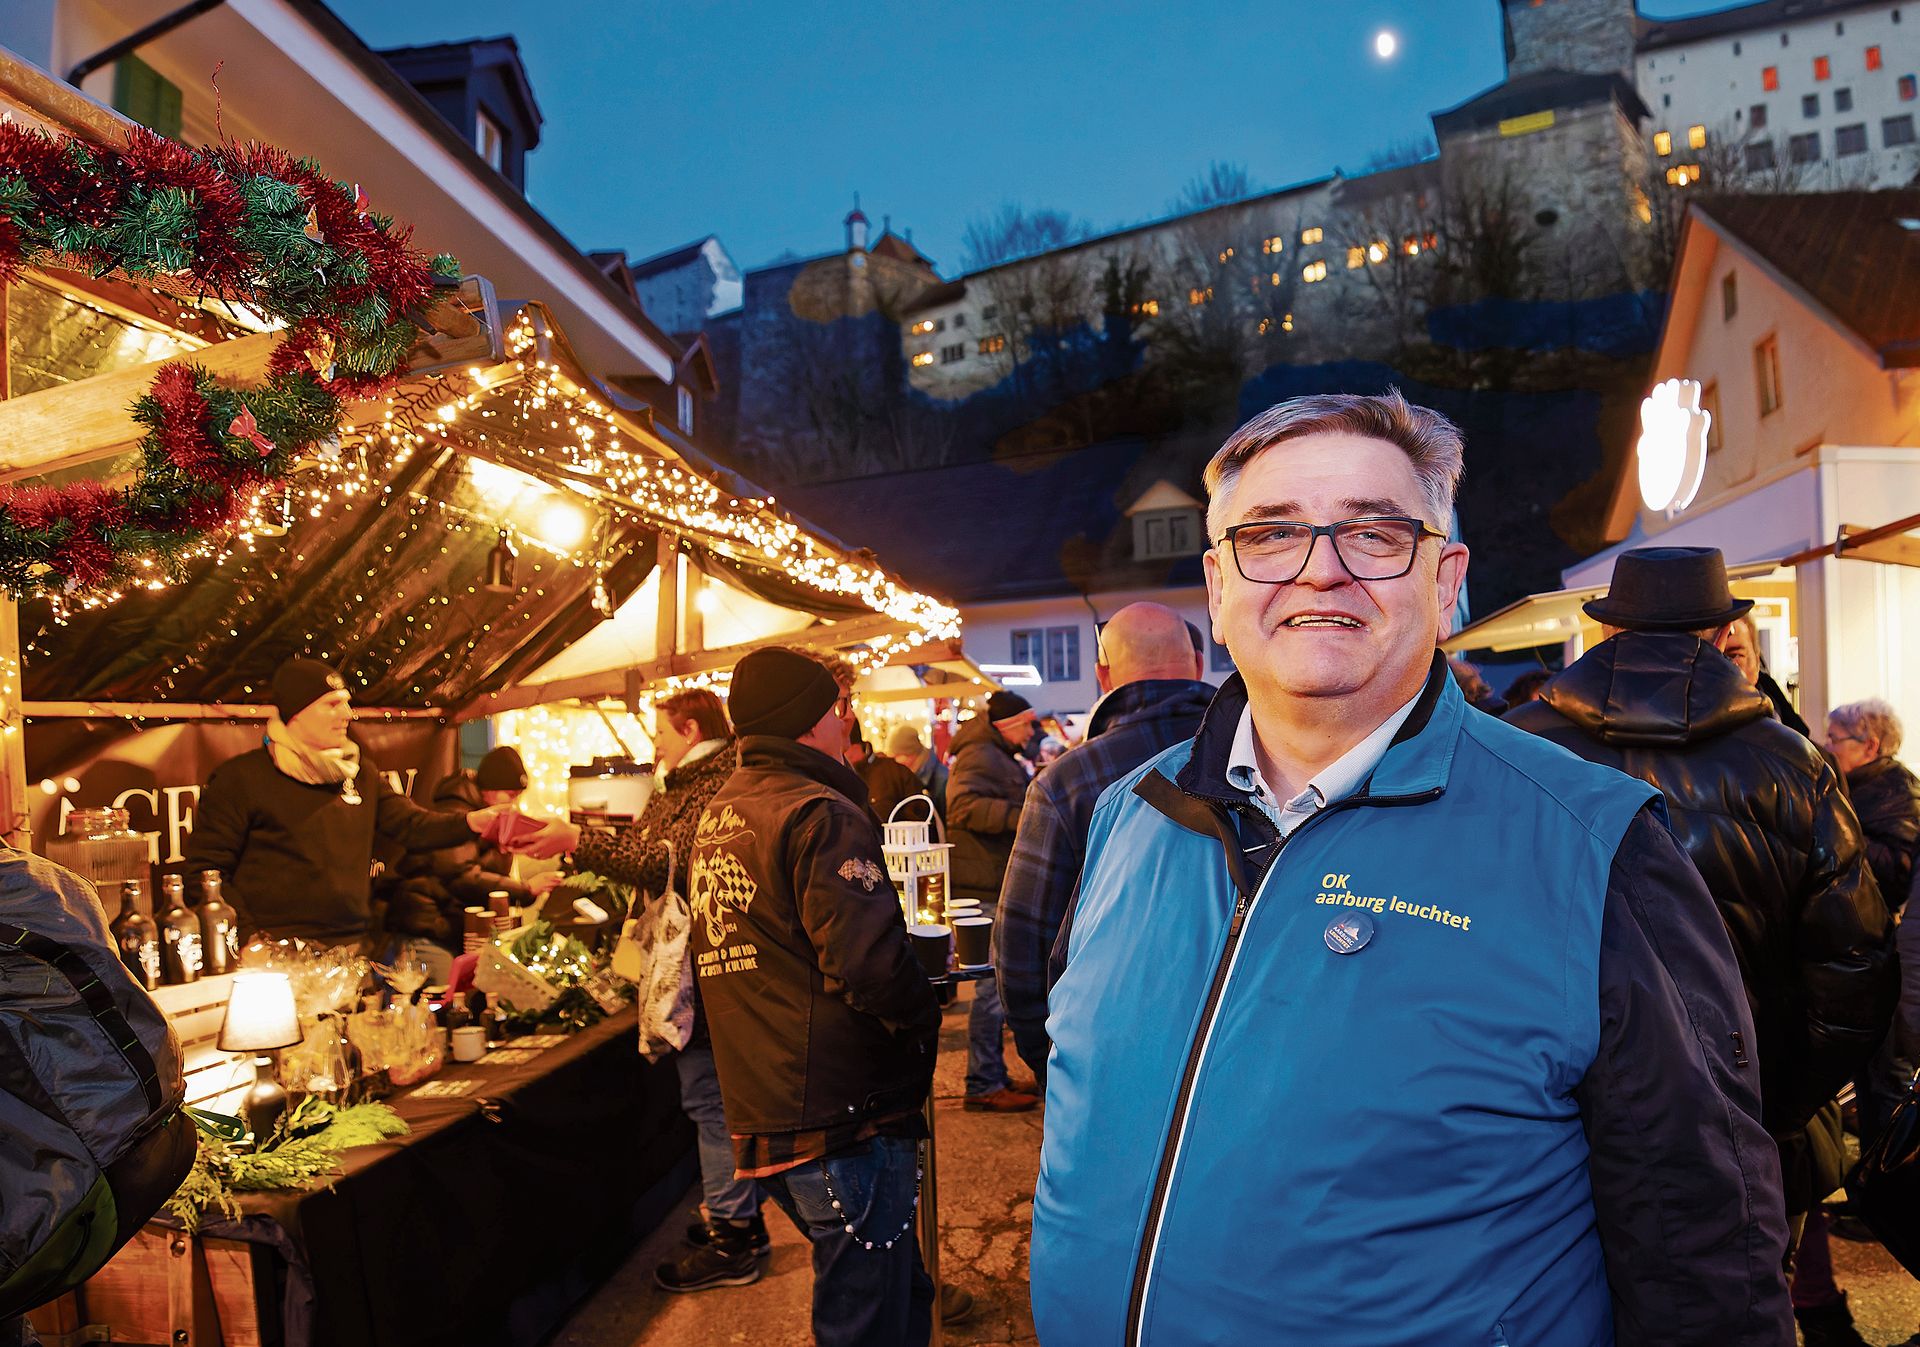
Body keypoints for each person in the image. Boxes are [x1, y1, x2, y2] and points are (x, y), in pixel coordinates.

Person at [1032, 392, 1791, 1346]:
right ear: (1218, 587)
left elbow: (1701, 1247)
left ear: (1443, 581)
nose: (1320, 572)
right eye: (1270, 535)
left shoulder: (1594, 844)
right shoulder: (1124, 815)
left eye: (1376, 535)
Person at [1508, 546, 1895, 1347]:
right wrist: (1766, 1108)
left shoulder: (1514, 749)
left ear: (1607, 626)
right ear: (1723, 630)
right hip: (1746, 1128)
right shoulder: (1793, 764)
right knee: (1735, 1314)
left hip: (1552, 1122)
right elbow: (1854, 974)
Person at [689, 646, 944, 1347]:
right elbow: (869, 966)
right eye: (837, 708)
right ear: (806, 723)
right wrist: (924, 1015)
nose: (847, 719)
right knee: (868, 1323)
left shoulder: (721, 811)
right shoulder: (818, 809)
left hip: (771, 1110)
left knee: (897, 1295)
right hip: (842, 1117)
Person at [530, 689, 761, 1291]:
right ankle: (731, 1215)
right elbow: (650, 852)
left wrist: (577, 841)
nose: (653, 746)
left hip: (706, 970)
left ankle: (735, 1237)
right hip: (686, 966)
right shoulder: (683, 782)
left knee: (712, 1102)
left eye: (660, 734)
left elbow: (671, 862)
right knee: (708, 1100)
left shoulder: (714, 784)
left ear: (688, 729)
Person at [996, 601, 1213, 1085]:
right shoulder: (1268, 755)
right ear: (1198, 665)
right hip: (1239, 1044)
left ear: (1102, 675)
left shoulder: (1068, 782)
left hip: (1109, 1057)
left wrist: (1053, 1064)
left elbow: (1022, 947)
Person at [186, 658, 507, 946]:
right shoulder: (240, 779)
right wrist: (248, 940)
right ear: (297, 712)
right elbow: (205, 873)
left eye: (346, 703)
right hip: (275, 953)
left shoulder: (359, 772)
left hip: (352, 946)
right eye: (332, 704)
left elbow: (412, 826)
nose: (346, 714)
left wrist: (474, 821)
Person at [1827, 699, 1920, 1156]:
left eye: (1835, 738)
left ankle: (1892, 1194)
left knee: (1888, 1079)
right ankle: (1870, 1191)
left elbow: (1899, 868)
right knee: (1868, 1074)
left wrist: (1838, 835)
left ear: (1870, 745)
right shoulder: (1857, 787)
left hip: (1891, 958)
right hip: (1866, 954)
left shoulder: (1896, 791)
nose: (1826, 746)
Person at [946, 691, 1042, 1113]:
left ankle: (991, 1075)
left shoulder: (992, 753)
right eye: (1026, 722)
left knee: (995, 987)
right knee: (990, 989)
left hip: (989, 880)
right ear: (1006, 725)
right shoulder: (979, 755)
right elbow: (962, 807)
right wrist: (1024, 814)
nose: (1032, 730)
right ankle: (983, 1081)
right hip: (982, 885)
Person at [383, 745, 537, 972]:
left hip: (452, 929)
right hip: (429, 929)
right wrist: (525, 890)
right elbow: (461, 876)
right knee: (439, 1000)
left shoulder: (488, 818)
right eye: (510, 795)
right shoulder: (456, 813)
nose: (512, 804)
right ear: (490, 788)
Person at [847, 721, 924, 825]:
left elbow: (918, 816)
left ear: (855, 745)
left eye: (843, 746)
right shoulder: (840, 777)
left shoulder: (894, 773)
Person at [887, 724, 949, 819]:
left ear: (909, 753)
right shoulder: (915, 774)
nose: (894, 761)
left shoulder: (941, 779)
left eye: (897, 756)